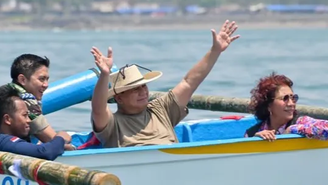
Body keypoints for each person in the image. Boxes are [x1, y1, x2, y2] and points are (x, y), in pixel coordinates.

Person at [90, 20, 240, 148]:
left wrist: (215, 51)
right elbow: (98, 108)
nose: (142, 91)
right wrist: (104, 74)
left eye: (144, 86)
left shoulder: (161, 109)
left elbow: (189, 82)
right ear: (119, 98)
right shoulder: (112, 124)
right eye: (134, 89)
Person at [0, 54, 74, 150]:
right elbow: (53, 141)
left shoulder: (3, 91)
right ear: (22, 79)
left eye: (47, 79)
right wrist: (67, 141)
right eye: (41, 79)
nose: (46, 84)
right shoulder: (25, 100)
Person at [0, 85, 69, 160]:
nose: (29, 120)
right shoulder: (4, 142)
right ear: (7, 119)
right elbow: (45, 153)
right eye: (24, 115)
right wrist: (60, 138)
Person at [244, 72, 328, 141]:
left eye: (293, 98)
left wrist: (291, 130)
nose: (291, 103)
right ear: (268, 105)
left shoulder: (301, 122)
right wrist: (255, 140)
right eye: (285, 98)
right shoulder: (251, 133)